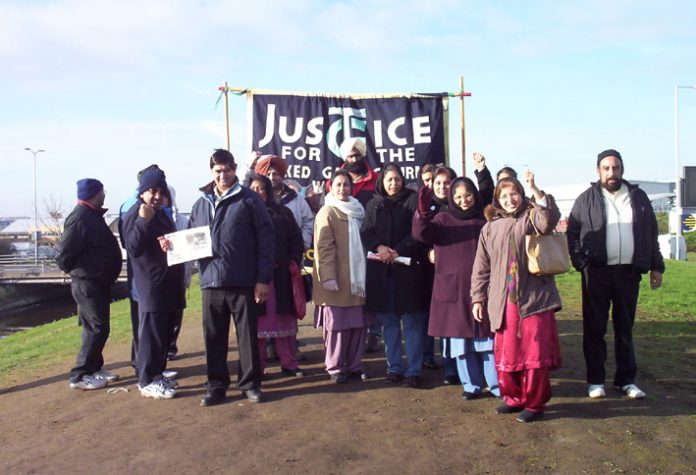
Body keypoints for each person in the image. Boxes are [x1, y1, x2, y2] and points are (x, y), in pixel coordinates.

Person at [567, 149, 664, 400]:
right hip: (596, 274)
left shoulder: (638, 197)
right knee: (595, 328)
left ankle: (626, 380)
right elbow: (573, 234)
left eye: (616, 167)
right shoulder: (585, 199)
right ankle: (595, 380)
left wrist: (657, 266)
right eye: (606, 168)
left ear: (622, 169)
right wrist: (581, 263)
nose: (612, 173)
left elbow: (650, 234)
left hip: (628, 274)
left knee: (625, 328)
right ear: (598, 170)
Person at [471, 172, 562, 423]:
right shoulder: (489, 228)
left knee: (534, 353)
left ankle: (535, 403)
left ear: (522, 195)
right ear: (497, 199)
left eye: (514, 194)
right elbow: (481, 267)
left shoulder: (531, 216)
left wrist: (536, 190)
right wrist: (478, 298)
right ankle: (514, 398)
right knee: (507, 353)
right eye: (504, 195)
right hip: (503, 301)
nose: (510, 199)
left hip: (534, 300)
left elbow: (548, 221)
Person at [189, 149, 275, 406]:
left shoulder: (249, 200)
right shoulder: (201, 203)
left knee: (247, 336)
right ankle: (216, 386)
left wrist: (262, 279)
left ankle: (250, 383)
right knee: (213, 337)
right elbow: (191, 237)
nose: (223, 175)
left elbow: (266, 239)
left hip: (243, 280)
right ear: (211, 172)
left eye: (227, 170)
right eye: (217, 171)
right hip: (211, 281)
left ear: (235, 168)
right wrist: (171, 246)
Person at [413, 177, 499, 400]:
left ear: (475, 195)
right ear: (451, 198)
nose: (464, 201)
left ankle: (496, 385)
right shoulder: (443, 219)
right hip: (453, 288)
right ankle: (471, 386)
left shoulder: (485, 218)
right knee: (461, 343)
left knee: (487, 341)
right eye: (458, 197)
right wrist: (422, 212)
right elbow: (422, 234)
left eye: (468, 195)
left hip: (483, 287)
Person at [362, 164, 428, 388]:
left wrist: (398, 250)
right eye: (389, 179)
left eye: (397, 179)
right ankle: (394, 368)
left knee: (411, 323)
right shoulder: (373, 204)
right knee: (389, 323)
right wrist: (379, 247)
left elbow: (418, 233)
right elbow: (366, 231)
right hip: (383, 274)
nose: (393, 183)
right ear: (382, 181)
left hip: (408, 272)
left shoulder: (412, 201)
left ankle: (414, 370)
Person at [121, 169, 185, 400]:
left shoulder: (160, 213)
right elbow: (133, 247)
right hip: (150, 285)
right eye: (152, 191)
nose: (157, 196)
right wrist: (142, 220)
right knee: (151, 335)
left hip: (166, 283)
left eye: (160, 191)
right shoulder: (135, 213)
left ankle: (157, 373)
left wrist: (168, 244)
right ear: (143, 191)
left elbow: (163, 241)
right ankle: (147, 380)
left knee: (162, 334)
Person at [56, 179, 123, 390]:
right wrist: (82, 272)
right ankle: (80, 375)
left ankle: (95, 368)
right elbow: (64, 253)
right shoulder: (80, 217)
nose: (105, 194)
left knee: (93, 327)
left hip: (97, 282)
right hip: (87, 283)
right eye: (103, 191)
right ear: (95, 193)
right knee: (98, 328)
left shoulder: (91, 215)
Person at [313, 170, 371, 383]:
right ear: (330, 187)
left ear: (351, 187)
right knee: (337, 327)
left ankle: (354, 365)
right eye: (337, 184)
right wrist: (328, 276)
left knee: (357, 326)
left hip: (357, 281)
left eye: (345, 184)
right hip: (336, 281)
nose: (342, 188)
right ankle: (335, 367)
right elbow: (323, 248)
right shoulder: (327, 212)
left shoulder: (358, 211)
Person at [248, 174, 305, 377]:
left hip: (281, 276)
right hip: (255, 279)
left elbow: (296, 239)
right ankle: (258, 367)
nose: (257, 192)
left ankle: (289, 363)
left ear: (268, 191)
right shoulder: (244, 213)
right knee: (257, 325)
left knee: (283, 319)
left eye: (261, 188)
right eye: (253, 188)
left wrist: (293, 261)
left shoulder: (282, 213)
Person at [254, 154, 314, 250]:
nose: (271, 178)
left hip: (290, 256)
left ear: (281, 175)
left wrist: (301, 243)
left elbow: (308, 221)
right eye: (268, 174)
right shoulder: (256, 200)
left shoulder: (296, 199)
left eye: (275, 174)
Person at [163, 185, 192, 361]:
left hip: (179, 272)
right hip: (159, 275)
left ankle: (171, 346)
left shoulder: (182, 220)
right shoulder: (151, 218)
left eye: (164, 195)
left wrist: (187, 274)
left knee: (176, 312)